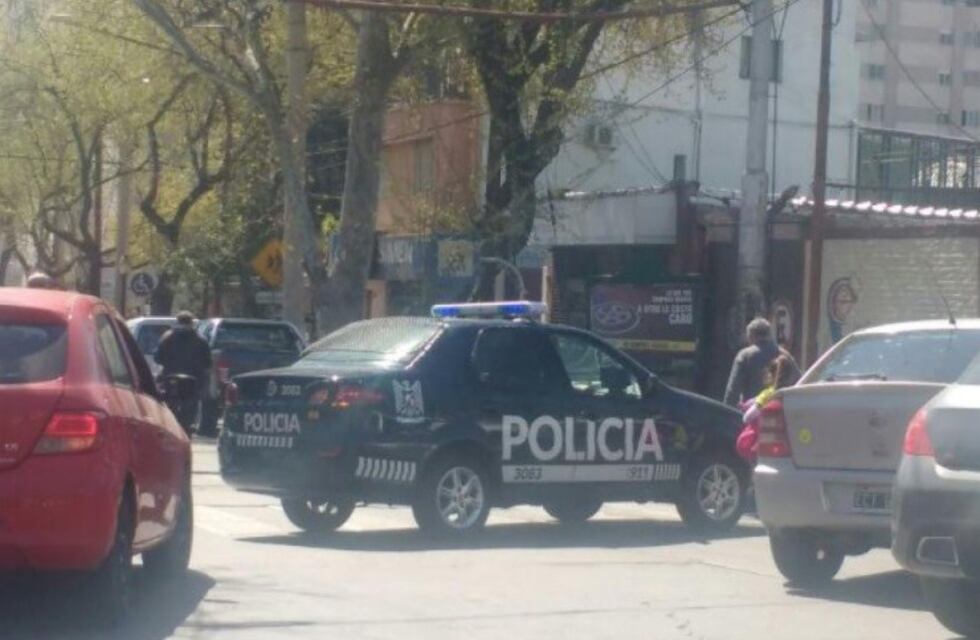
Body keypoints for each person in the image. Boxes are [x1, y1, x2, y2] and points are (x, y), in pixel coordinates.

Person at [723, 317, 801, 407]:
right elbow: (799, 382)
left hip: (753, 412)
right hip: (780, 412)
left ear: (751, 336)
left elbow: (732, 391)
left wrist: (727, 413)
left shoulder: (745, 355)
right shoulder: (785, 355)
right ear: (769, 335)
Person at [155, 312, 212, 428]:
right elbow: (208, 363)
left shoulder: (167, 338)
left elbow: (158, 358)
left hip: (172, 381)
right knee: (190, 407)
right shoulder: (201, 340)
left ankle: (173, 424)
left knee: (169, 405)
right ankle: (187, 424)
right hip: (192, 383)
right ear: (192, 323)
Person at [736, 354, 796, 465]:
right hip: (791, 448)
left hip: (766, 446)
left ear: (771, 375)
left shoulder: (767, 394)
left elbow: (747, 417)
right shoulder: (793, 393)